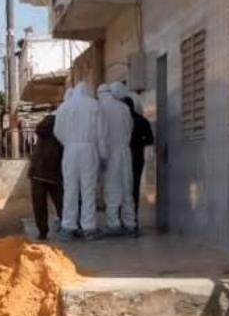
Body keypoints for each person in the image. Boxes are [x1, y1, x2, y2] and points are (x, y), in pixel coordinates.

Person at [54, 81, 106, 241]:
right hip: (89, 150)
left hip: (70, 150)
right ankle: (88, 227)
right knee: (88, 188)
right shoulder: (95, 105)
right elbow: (101, 133)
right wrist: (103, 154)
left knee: (70, 188)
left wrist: (69, 143)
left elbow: (57, 132)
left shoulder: (64, 107)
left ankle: (68, 226)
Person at [99, 82, 138, 236]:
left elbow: (101, 134)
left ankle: (113, 224)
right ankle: (130, 224)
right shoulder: (124, 108)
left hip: (110, 153)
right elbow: (130, 128)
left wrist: (102, 156)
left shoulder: (100, 108)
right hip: (125, 152)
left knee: (112, 190)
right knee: (127, 188)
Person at [27, 113, 63, 241]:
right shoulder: (59, 132)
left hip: (37, 173)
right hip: (53, 174)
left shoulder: (42, 133)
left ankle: (43, 232)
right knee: (61, 202)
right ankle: (67, 226)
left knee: (40, 206)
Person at [122, 95, 154, 216]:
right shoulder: (142, 120)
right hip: (137, 157)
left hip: (129, 157)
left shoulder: (125, 121)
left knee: (123, 188)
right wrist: (139, 142)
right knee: (134, 187)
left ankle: (126, 217)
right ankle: (132, 217)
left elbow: (150, 140)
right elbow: (150, 140)